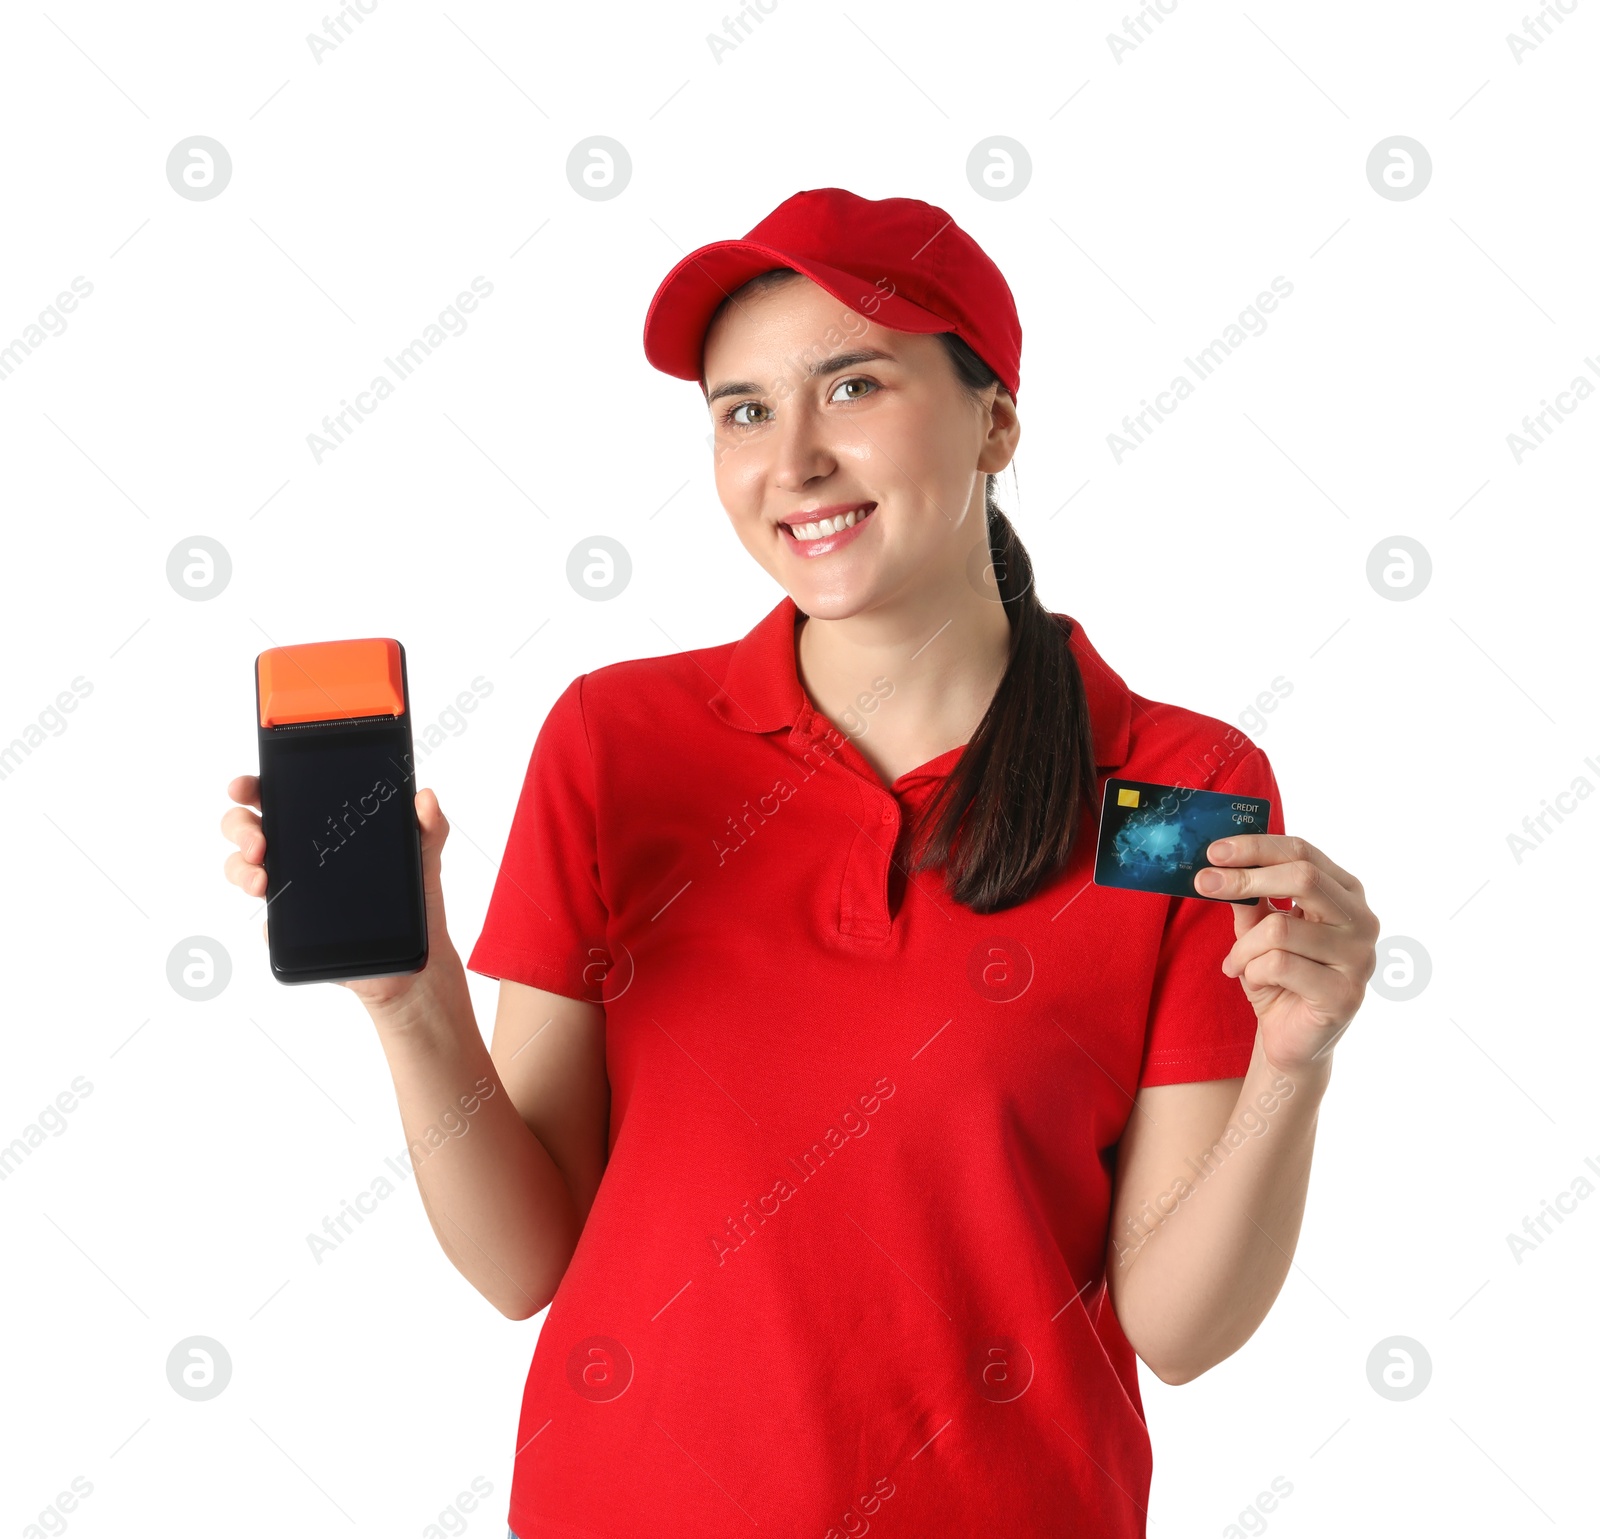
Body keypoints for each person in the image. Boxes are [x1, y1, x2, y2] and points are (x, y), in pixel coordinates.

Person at [220, 188, 1379, 1539]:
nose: (795, 460)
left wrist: (1293, 1065)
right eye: (744, 410)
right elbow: (523, 1260)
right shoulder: (618, 746)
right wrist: (410, 998)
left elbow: (1180, 1329)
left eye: (855, 387)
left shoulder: (1173, 792)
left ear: (996, 419)